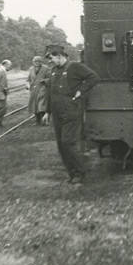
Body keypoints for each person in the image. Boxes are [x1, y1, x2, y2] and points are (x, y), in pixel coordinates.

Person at [45, 46, 99, 184]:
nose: (50, 61)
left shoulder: (75, 67)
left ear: (59, 55)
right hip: (57, 113)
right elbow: (50, 93)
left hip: (71, 111)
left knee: (68, 142)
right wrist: (47, 111)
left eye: (51, 58)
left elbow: (93, 77)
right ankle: (72, 173)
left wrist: (81, 90)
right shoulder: (53, 71)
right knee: (61, 145)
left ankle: (80, 172)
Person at [27, 55, 50, 125]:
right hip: (34, 90)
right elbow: (28, 79)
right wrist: (27, 84)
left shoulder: (46, 68)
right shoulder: (31, 69)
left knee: (41, 105)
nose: (36, 63)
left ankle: (44, 121)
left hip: (42, 89)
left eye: (38, 61)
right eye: (35, 61)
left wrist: (44, 80)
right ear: (33, 62)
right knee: (34, 105)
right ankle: (37, 121)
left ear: (41, 62)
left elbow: (50, 78)